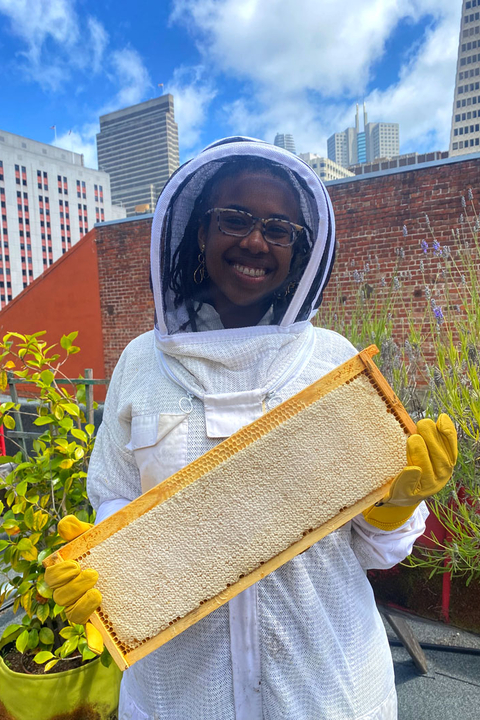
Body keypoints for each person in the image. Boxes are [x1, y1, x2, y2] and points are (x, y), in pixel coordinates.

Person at [45, 137, 457, 720]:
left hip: (326, 688)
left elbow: (375, 551)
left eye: (279, 229)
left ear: (300, 249)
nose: (255, 241)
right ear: (198, 231)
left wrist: (395, 503)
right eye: (234, 218)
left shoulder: (332, 362)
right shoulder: (141, 364)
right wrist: (99, 567)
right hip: (179, 693)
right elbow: (114, 496)